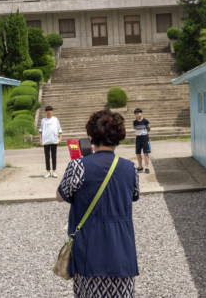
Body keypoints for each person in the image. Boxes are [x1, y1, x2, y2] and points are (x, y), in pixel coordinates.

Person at [57, 110, 139, 297]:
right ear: (119, 136)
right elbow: (133, 195)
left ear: (92, 135)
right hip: (122, 249)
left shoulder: (78, 166)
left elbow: (60, 196)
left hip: (89, 247)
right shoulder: (131, 168)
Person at [39, 105, 63, 178]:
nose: (49, 112)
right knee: (47, 157)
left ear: (52, 111)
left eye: (50, 110)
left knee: (54, 156)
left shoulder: (55, 120)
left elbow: (59, 130)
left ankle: (54, 171)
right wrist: (40, 139)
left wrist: (60, 138)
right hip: (46, 141)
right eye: (47, 111)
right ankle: (48, 171)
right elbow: (40, 131)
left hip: (54, 140)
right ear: (46, 112)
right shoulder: (43, 120)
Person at [133, 107, 151, 174]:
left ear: (141, 113)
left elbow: (149, 129)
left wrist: (144, 132)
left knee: (146, 153)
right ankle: (140, 167)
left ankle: (146, 167)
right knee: (138, 153)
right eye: (136, 114)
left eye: (138, 113)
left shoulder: (146, 121)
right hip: (138, 138)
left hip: (145, 138)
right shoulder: (134, 122)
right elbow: (135, 128)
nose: (137, 115)